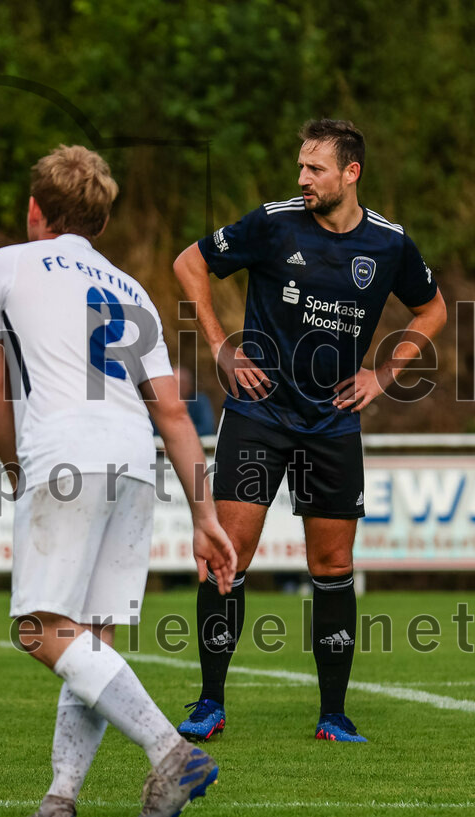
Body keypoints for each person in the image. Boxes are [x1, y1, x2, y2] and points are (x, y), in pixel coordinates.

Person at [0, 145, 237, 817]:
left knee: (40, 629)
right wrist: (205, 517)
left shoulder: (6, 264)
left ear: (35, 209)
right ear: (102, 221)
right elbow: (172, 411)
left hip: (65, 452)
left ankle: (170, 751)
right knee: (92, 635)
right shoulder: (130, 286)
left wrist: (12, 464)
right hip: (134, 459)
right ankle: (61, 797)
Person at [172, 119, 446, 744]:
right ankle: (209, 703)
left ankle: (333, 714)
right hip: (258, 413)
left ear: (351, 173)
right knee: (225, 558)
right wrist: (220, 348)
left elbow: (432, 310)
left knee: (333, 564)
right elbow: (190, 263)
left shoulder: (390, 245)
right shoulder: (273, 222)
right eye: (300, 166)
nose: (302, 179)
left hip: (332, 423)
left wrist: (381, 375)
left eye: (314, 169)